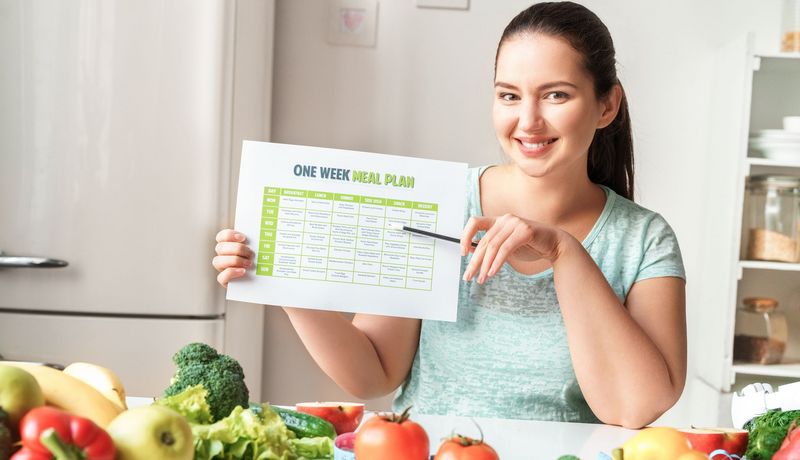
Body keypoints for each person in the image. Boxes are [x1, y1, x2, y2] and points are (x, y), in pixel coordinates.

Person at [213, 1, 686, 428]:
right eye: (509, 95)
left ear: (607, 105)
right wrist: (285, 278)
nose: (528, 121)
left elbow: (635, 406)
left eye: (556, 95)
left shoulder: (643, 239)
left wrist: (564, 252)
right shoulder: (440, 203)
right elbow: (373, 370)